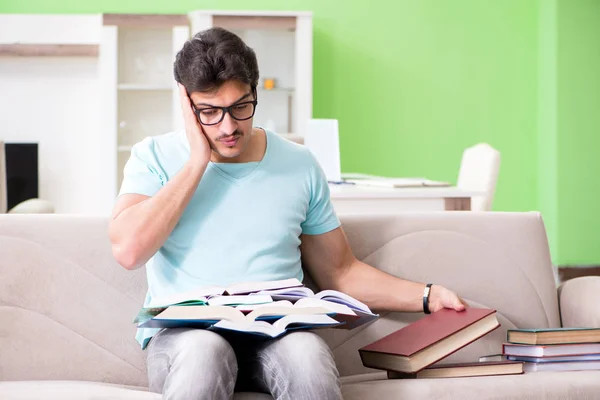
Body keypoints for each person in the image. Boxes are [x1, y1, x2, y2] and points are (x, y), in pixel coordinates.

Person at [108, 27, 467, 400]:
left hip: (277, 333)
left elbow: (340, 272)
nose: (228, 127)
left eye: (239, 107)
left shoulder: (298, 163)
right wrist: (197, 161)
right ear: (186, 104)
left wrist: (427, 296)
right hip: (187, 339)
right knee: (204, 353)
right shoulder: (153, 156)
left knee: (307, 356)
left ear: (255, 93)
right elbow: (128, 250)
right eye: (210, 112)